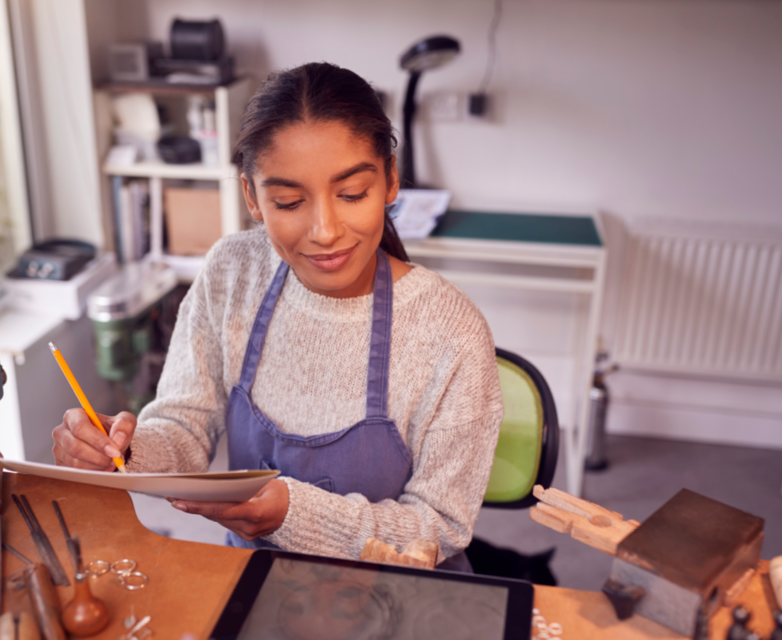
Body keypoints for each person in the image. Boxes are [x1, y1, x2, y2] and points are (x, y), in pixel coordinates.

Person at [52, 62, 502, 571]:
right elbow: (184, 428)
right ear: (252, 197)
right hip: (256, 580)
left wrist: (292, 513)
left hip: (399, 596)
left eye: (352, 194)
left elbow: (440, 527)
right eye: (289, 201)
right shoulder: (231, 272)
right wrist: (123, 449)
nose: (325, 230)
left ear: (391, 180)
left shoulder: (450, 329)